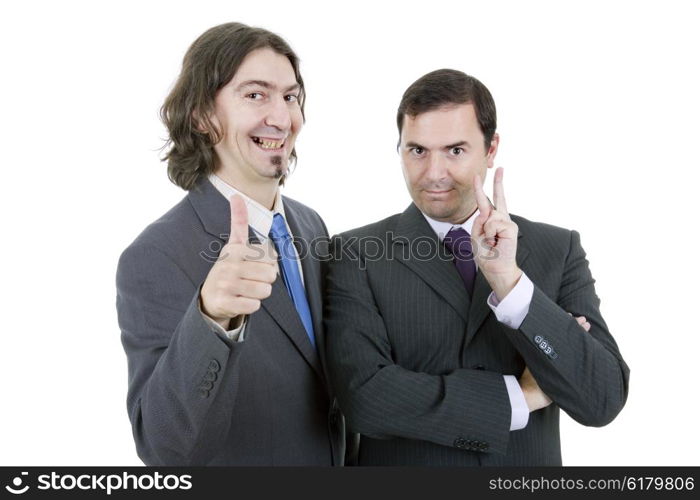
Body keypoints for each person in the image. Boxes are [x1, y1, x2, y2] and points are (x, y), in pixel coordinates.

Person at [324, 69, 630, 465]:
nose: (434, 173)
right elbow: (364, 398)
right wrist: (519, 398)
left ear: (490, 149)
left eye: (455, 150)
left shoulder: (557, 249)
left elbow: (601, 399)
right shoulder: (356, 252)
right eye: (417, 150)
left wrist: (510, 284)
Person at [116, 22, 347, 465]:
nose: (281, 117)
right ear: (203, 115)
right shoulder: (155, 256)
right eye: (255, 95)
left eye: (290, 96)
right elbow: (164, 446)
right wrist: (212, 318)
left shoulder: (310, 224)